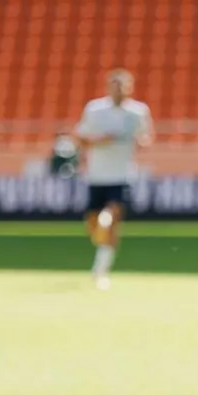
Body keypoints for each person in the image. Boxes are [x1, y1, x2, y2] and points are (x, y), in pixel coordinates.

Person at [73, 69, 154, 290]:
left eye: (123, 86)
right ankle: (101, 229)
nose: (119, 90)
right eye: (116, 86)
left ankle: (101, 271)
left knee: (112, 219)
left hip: (122, 175)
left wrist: (140, 141)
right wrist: (100, 141)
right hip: (97, 175)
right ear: (109, 87)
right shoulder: (95, 109)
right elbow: (80, 137)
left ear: (130, 88)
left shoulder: (138, 112)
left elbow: (146, 137)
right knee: (93, 225)